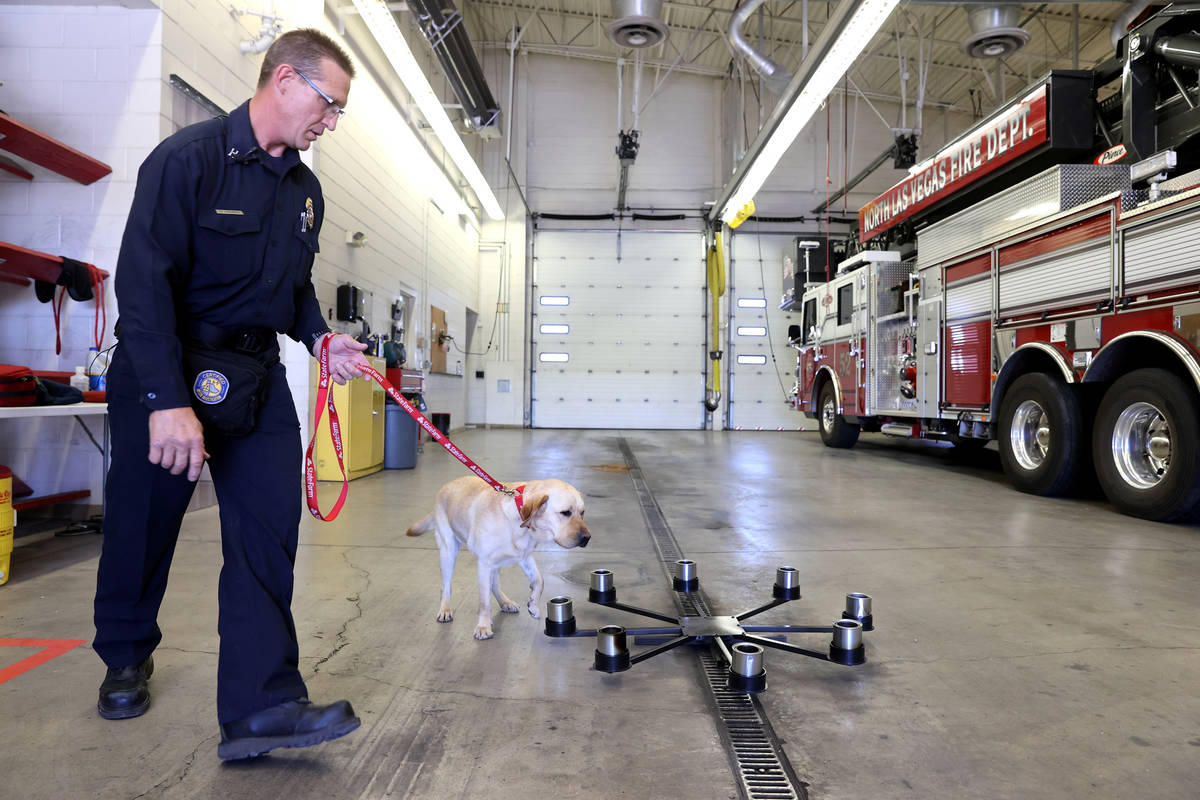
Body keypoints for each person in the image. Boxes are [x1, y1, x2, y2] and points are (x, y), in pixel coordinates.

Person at [93, 28, 371, 761]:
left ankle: (260, 706)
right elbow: (143, 285)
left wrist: (320, 339)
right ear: (284, 80)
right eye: (329, 104)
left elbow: (296, 286)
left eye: (338, 112)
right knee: (143, 519)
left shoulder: (304, 190)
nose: (331, 123)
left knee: (267, 530)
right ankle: (124, 654)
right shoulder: (186, 163)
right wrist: (166, 400)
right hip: (170, 362)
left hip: (254, 375)